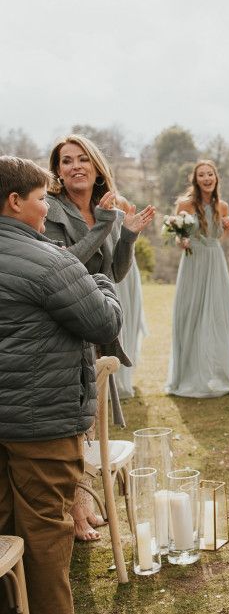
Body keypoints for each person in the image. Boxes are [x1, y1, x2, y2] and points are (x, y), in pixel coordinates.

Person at [0, 155, 123, 614]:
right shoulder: (48, 261)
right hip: (41, 422)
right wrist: (102, 283)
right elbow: (103, 322)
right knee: (45, 527)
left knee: (2, 527)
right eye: (39, 199)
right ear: (15, 202)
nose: (46, 208)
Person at [46, 134, 156, 542]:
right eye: (66, 161)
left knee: (91, 417)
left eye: (82, 159)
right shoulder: (52, 209)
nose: (75, 166)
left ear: (96, 168)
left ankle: (85, 503)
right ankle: (76, 512)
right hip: (66, 322)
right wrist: (107, 225)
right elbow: (62, 265)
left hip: (95, 320)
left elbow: (114, 273)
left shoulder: (101, 208)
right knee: (76, 419)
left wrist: (128, 235)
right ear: (58, 171)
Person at [165, 160, 229, 398]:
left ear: (216, 178)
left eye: (210, 174)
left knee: (217, 316)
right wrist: (182, 241)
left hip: (215, 261)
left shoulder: (222, 206)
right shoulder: (185, 204)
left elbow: (220, 238)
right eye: (202, 175)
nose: (206, 178)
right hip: (193, 261)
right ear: (195, 180)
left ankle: (215, 375)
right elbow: (178, 237)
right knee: (191, 315)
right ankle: (188, 376)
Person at [112, 194, 148, 399]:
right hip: (107, 264)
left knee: (126, 316)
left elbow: (128, 234)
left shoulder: (122, 202)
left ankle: (123, 375)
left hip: (124, 266)